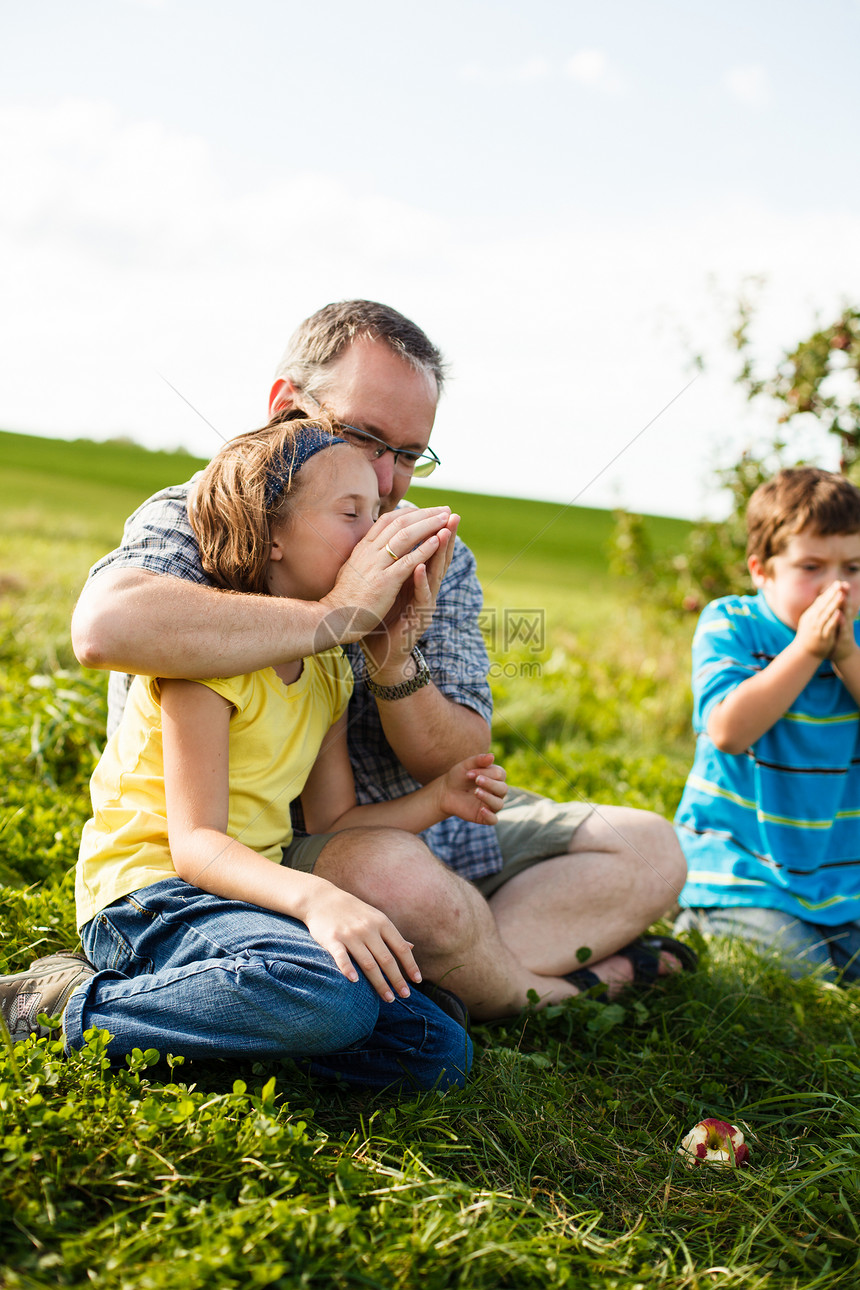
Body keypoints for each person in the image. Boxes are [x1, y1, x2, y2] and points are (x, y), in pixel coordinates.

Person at [66, 300, 692, 1015]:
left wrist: (393, 661)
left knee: (649, 849)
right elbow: (104, 629)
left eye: (409, 454)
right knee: (403, 884)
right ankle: (530, 985)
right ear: (285, 407)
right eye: (365, 437)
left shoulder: (433, 556)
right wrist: (336, 616)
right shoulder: (204, 513)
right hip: (277, 859)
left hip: (403, 826)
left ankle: (451, 972)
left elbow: (460, 757)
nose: (389, 480)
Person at [0, 413, 515, 1086]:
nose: (374, 537)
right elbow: (195, 846)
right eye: (352, 515)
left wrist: (437, 799)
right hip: (152, 899)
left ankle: (216, 1026)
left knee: (436, 1051)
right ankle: (59, 1003)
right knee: (332, 994)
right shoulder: (211, 657)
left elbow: (333, 823)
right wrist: (316, 901)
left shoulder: (330, 667)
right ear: (274, 535)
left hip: (244, 905)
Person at [675, 467, 860, 982]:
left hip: (840, 882)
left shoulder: (858, 640)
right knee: (802, 971)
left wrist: (844, 652)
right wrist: (806, 650)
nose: (837, 586)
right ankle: (695, 918)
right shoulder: (732, 623)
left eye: (853, 567)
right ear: (762, 570)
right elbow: (730, 731)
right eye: (812, 567)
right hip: (741, 874)